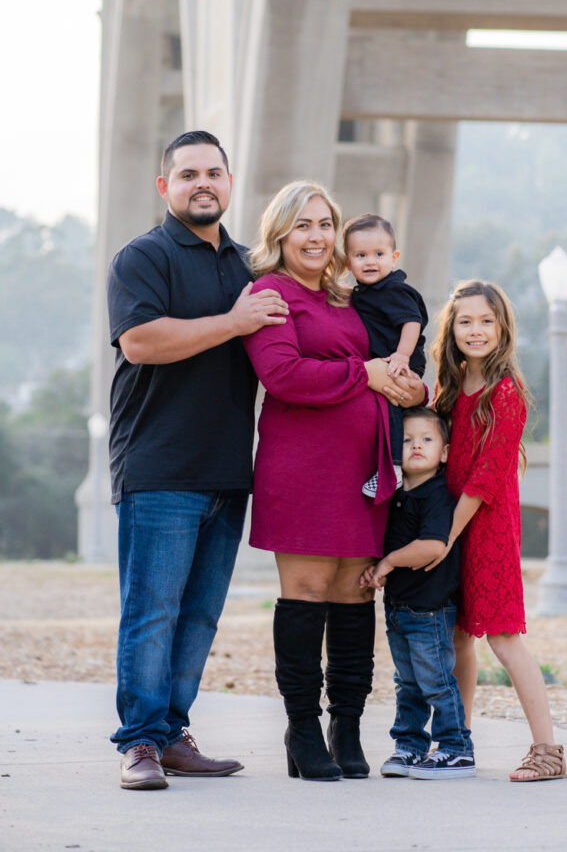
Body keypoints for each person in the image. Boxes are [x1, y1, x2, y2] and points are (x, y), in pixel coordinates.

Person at [107, 130, 289, 790]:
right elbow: (141, 342)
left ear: (230, 182)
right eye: (188, 174)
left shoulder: (249, 266)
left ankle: (172, 732)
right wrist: (234, 323)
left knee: (201, 613)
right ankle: (139, 746)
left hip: (227, 470)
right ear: (166, 187)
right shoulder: (142, 258)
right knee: (152, 611)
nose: (201, 182)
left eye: (214, 171)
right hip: (157, 466)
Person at [241, 181, 426, 782]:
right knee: (310, 590)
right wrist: (366, 374)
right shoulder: (269, 293)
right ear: (280, 234)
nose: (317, 236)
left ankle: (345, 727)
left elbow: (398, 363)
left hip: (365, 472)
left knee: (355, 593)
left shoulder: (350, 298)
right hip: (302, 470)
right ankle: (300, 729)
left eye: (325, 224)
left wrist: (408, 385)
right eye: (303, 225)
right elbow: (285, 374)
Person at [430, 280, 567, 782]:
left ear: (502, 328)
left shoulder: (506, 394)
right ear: (452, 330)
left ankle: (548, 750)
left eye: (486, 320)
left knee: (504, 639)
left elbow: (485, 478)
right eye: (465, 321)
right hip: (452, 525)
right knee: (459, 638)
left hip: (485, 529)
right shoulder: (450, 390)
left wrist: (445, 536)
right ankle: (457, 740)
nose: (476, 330)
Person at [360, 407, 475, 779]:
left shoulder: (437, 495)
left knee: (436, 682)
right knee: (407, 683)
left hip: (430, 610)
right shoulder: (395, 493)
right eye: (407, 440)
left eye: (427, 439)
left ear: (444, 452)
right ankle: (409, 746)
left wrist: (389, 561)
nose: (416, 447)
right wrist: (375, 563)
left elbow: (432, 546)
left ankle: (457, 749)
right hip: (399, 608)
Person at [343, 213, 428, 500]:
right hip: (386, 359)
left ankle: (393, 469)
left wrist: (402, 356)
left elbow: (412, 321)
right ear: (348, 262)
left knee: (391, 403)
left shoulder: (393, 289)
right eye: (361, 255)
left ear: (394, 257)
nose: (370, 261)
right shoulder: (364, 292)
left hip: (400, 358)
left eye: (379, 254)